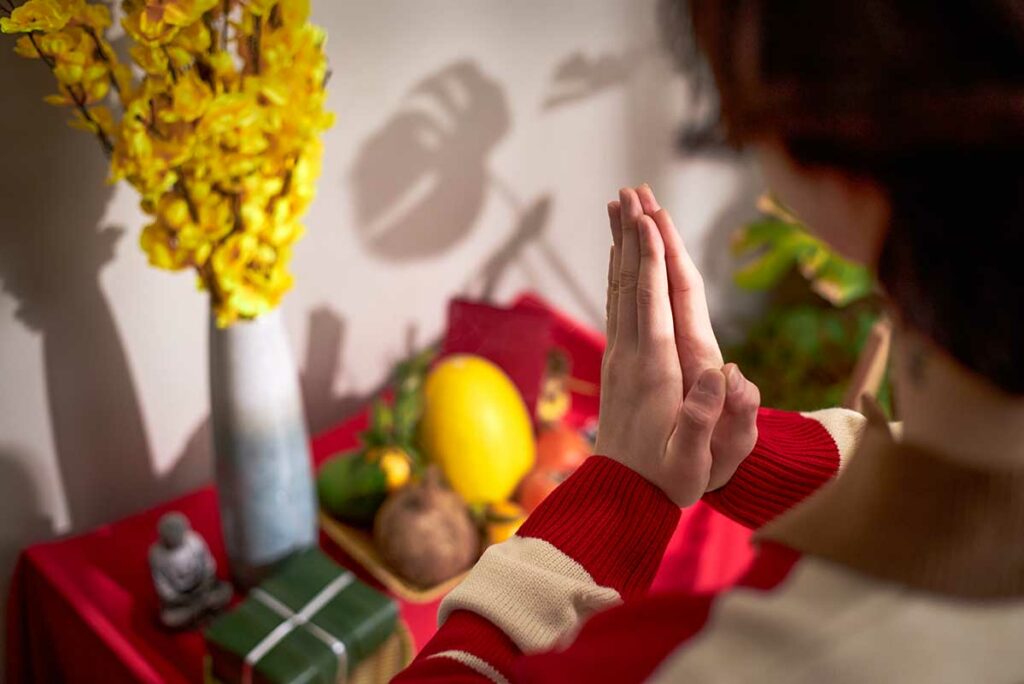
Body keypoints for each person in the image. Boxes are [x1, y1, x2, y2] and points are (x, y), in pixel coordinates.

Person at [396, 2, 1024, 681]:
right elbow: (948, 494)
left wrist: (620, 493)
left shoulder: (730, 661)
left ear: (845, 167)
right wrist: (750, 456)